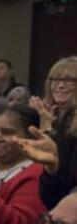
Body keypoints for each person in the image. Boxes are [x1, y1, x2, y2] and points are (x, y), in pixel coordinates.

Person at [32, 55, 77, 209]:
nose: (60, 86)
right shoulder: (52, 116)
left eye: (69, 81)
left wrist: (48, 130)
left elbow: (66, 175)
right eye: (55, 80)